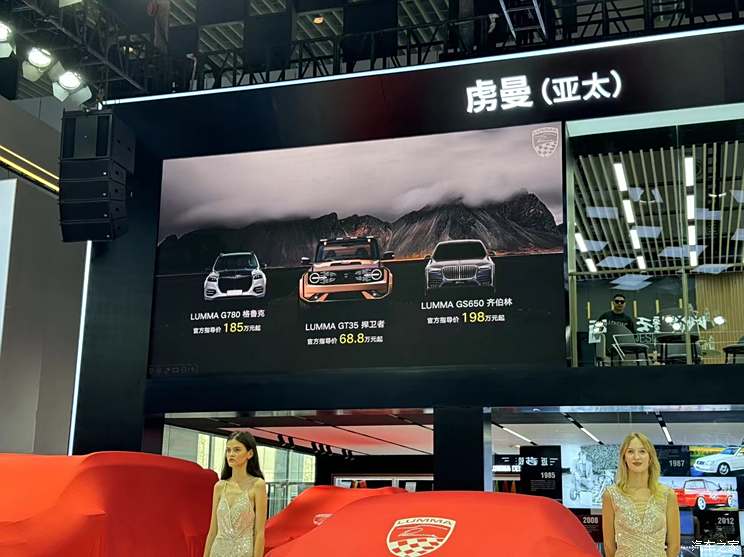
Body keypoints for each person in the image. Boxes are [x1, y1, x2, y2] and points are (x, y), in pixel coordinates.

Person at [602, 432, 680, 557]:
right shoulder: (611, 495)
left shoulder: (667, 495)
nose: (636, 457)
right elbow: (608, 545)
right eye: (630, 451)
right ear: (624, 457)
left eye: (642, 451)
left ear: (650, 457)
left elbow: (674, 545)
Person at [203, 432, 268, 557]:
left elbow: (259, 533)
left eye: (237, 450)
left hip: (244, 553)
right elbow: (213, 531)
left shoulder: (258, 485)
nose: (231, 454)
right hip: (217, 552)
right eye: (228, 450)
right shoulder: (219, 486)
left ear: (250, 454)